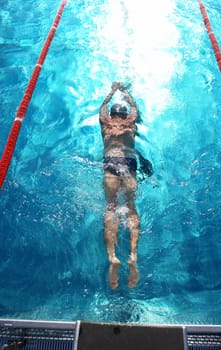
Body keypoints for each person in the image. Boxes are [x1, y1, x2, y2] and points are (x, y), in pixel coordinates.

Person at [99, 81, 140, 289]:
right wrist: (125, 92)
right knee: (131, 207)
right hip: (129, 163)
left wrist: (111, 92)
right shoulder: (131, 124)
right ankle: (133, 254)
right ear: (125, 116)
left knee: (111, 207)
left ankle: (112, 256)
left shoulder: (105, 124)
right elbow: (135, 109)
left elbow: (101, 108)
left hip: (110, 162)